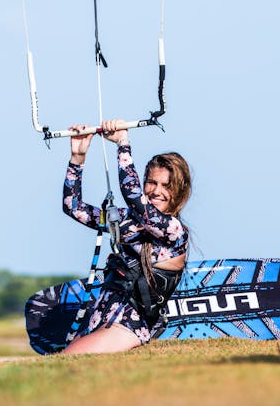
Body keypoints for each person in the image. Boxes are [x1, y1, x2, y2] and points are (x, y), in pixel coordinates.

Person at [61, 119, 191, 354]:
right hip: (101, 315)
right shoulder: (126, 220)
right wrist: (77, 158)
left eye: (167, 186)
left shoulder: (174, 232)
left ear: (179, 192)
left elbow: (132, 196)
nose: (157, 191)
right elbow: (73, 207)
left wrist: (122, 142)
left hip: (128, 325)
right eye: (152, 182)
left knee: (70, 358)